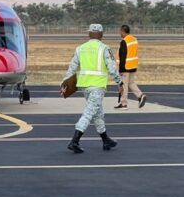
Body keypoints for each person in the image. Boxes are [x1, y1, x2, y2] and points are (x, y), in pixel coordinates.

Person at [60, 23, 124, 153]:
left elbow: (72, 67)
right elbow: (112, 67)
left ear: (89, 34)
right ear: (101, 34)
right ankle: (74, 141)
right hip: (97, 86)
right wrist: (120, 82)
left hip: (85, 86)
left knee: (97, 113)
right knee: (89, 113)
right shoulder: (104, 48)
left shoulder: (80, 48)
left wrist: (64, 84)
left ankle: (106, 140)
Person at [115, 24, 146, 109]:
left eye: (120, 31)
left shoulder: (124, 41)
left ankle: (124, 103)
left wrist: (120, 69)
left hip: (125, 67)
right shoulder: (134, 40)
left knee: (124, 85)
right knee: (131, 83)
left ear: (123, 31)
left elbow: (122, 56)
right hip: (133, 65)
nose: (119, 33)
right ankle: (140, 95)